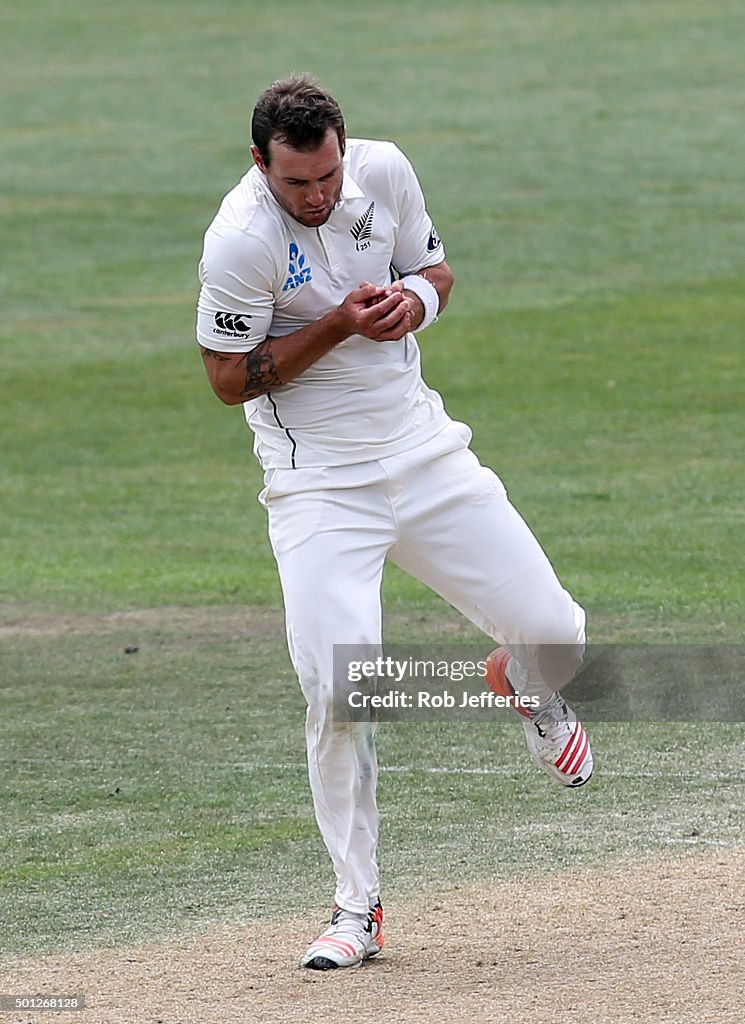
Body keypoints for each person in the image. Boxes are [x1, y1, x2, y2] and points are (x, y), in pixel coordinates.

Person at [195, 73, 593, 971]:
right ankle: (356, 908)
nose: (319, 196)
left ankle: (526, 683)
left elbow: (435, 268)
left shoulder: (386, 173)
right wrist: (339, 324)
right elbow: (226, 379)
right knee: (341, 691)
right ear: (260, 164)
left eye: (328, 176)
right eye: (298, 182)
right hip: (319, 488)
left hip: (424, 456)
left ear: (344, 150)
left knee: (556, 632)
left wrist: (418, 304)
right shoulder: (239, 241)